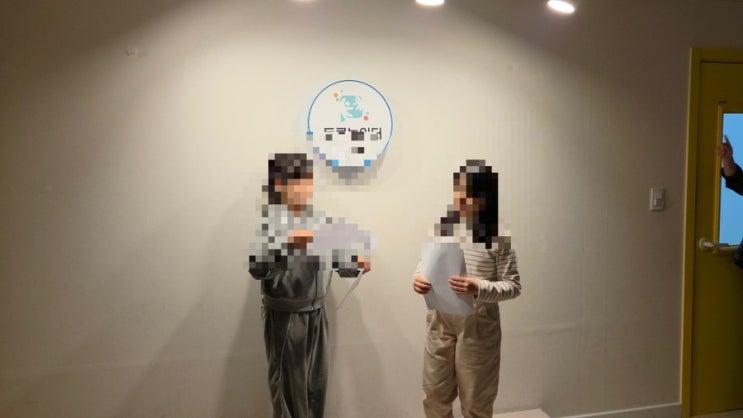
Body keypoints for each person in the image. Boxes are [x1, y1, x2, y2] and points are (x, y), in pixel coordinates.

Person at [248, 153, 370, 418]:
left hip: (318, 315)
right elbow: (258, 269)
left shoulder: (319, 220)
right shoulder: (269, 224)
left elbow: (336, 258)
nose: (304, 188)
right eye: (296, 181)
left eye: (306, 181)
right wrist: (289, 245)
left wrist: (356, 263)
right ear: (279, 185)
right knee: (289, 393)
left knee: (316, 389)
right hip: (286, 317)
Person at [412, 160, 521, 418]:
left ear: (484, 197)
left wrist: (478, 287)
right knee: (434, 396)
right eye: (458, 191)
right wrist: (417, 278)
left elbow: (513, 285)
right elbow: (424, 264)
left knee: (476, 401)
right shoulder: (444, 227)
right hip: (440, 320)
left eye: (467, 194)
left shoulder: (497, 235)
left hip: (477, 324)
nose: (460, 199)